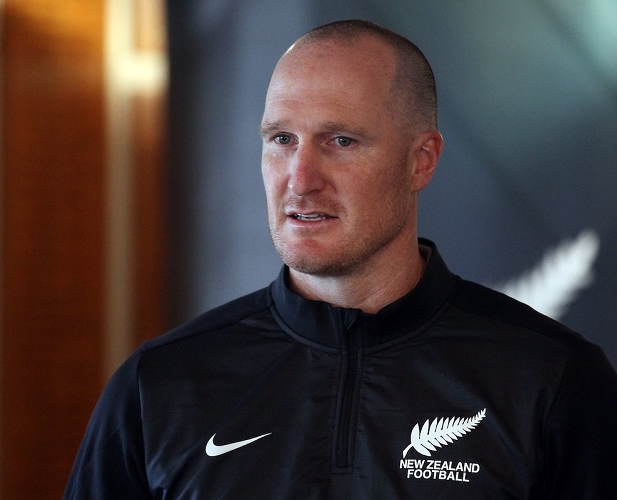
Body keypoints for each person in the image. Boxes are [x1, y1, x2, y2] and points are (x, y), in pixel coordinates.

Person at [64, 19, 617, 499]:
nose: (301, 180)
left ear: (421, 161)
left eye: (341, 141)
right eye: (281, 139)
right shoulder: (157, 385)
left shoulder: (553, 380)